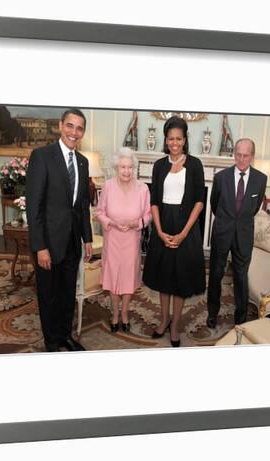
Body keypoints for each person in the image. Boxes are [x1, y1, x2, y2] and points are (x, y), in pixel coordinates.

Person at [26, 108, 93, 352]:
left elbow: (82, 205)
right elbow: (34, 207)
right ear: (60, 125)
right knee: (49, 295)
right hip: (49, 244)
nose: (74, 132)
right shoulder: (42, 156)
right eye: (70, 126)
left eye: (79, 128)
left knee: (67, 295)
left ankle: (65, 334)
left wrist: (87, 238)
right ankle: (51, 341)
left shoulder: (83, 162)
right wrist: (40, 246)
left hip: (73, 243)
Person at [142, 116, 206, 347]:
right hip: (163, 225)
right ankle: (163, 320)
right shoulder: (159, 165)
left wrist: (183, 233)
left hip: (186, 227)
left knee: (180, 280)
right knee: (163, 277)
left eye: (179, 138)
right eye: (171, 139)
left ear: (185, 139)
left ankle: (176, 325)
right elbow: (154, 201)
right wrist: (158, 231)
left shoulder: (196, 164)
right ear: (166, 140)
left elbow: (199, 202)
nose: (175, 143)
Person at [207, 138, 267, 327]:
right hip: (222, 233)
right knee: (216, 274)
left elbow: (255, 207)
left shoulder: (261, 179)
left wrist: (238, 221)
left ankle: (240, 318)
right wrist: (227, 221)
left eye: (245, 156)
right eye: (238, 155)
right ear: (234, 154)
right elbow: (214, 204)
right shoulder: (221, 177)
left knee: (241, 277)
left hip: (244, 234)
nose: (241, 160)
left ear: (252, 157)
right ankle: (212, 313)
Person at [94, 148, 152, 333]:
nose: (126, 171)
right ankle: (115, 315)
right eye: (122, 167)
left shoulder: (143, 188)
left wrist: (138, 223)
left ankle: (125, 314)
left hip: (131, 240)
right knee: (112, 277)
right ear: (116, 168)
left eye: (129, 167)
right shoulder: (108, 186)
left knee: (128, 278)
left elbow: (149, 214)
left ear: (134, 168)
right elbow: (99, 212)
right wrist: (111, 223)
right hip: (112, 239)